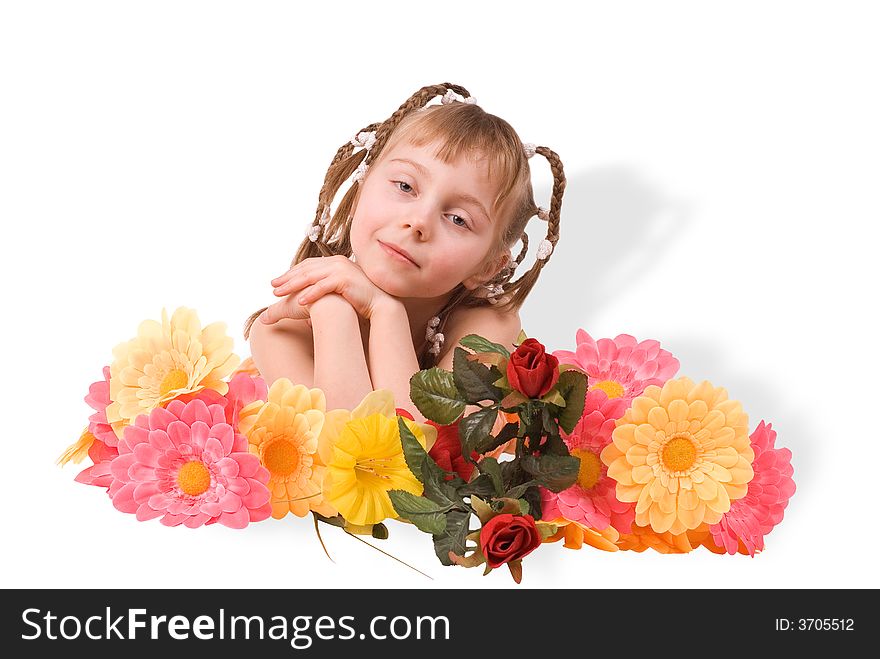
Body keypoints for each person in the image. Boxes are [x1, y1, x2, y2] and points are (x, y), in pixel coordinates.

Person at [245, 83, 565, 423]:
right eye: (405, 186)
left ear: (487, 266)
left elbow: (421, 454)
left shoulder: (486, 327)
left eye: (458, 219)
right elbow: (346, 450)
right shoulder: (279, 330)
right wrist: (332, 309)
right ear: (359, 190)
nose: (418, 222)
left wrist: (385, 313)